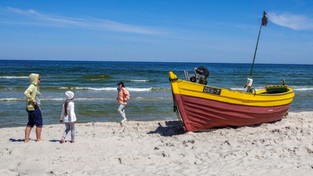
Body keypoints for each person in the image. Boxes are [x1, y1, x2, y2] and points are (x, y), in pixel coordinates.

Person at [24, 73, 43, 142]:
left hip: (30, 107)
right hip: (34, 107)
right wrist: (33, 100)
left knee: (31, 123)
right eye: (39, 79)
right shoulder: (32, 86)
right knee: (39, 123)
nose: (40, 80)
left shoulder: (34, 86)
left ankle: (26, 139)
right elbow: (26, 93)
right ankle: (38, 139)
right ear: (35, 79)